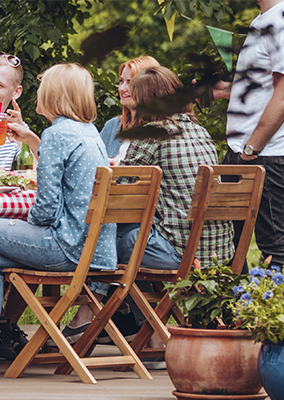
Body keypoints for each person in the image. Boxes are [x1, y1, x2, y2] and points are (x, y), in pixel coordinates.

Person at [0, 63, 116, 378]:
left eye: (44, 86)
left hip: (67, 246)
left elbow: (45, 210)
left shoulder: (57, 133)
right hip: (93, 249)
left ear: (55, 94)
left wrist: (18, 225)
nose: (39, 91)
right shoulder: (88, 132)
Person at [60, 67, 235, 366]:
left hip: (179, 252)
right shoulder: (199, 131)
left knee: (110, 242)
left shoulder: (152, 132)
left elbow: (120, 188)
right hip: (218, 252)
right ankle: (150, 334)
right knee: (128, 240)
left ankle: (100, 317)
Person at [213, 0, 284, 274]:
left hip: (266, 154)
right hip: (244, 150)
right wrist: (225, 90)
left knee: (275, 246)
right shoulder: (265, 19)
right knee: (223, 242)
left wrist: (250, 150)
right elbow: (265, 87)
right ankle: (234, 314)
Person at [98, 56, 161, 164]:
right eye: (121, 81)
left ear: (150, 87)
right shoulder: (112, 126)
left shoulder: (163, 129)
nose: (122, 89)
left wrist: (118, 167)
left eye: (131, 83)